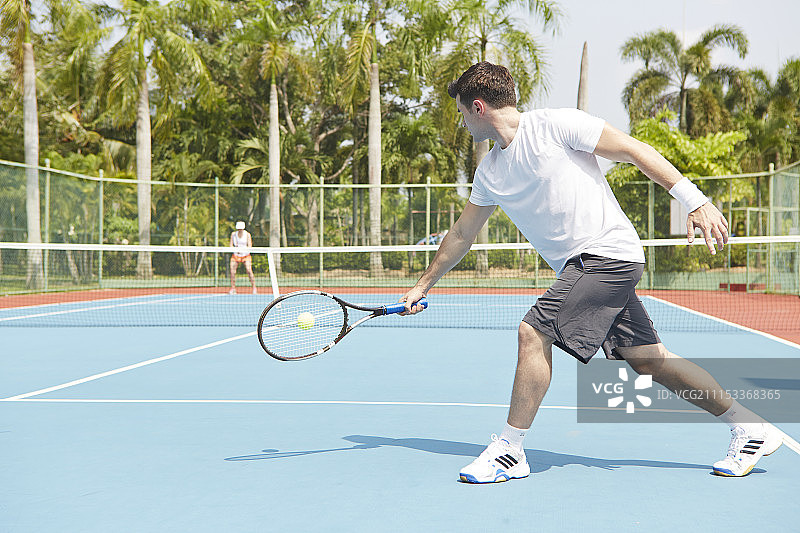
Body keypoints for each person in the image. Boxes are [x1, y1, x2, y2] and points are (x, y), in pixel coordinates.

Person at [400, 61, 783, 483]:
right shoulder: (490, 171)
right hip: (584, 267)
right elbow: (461, 234)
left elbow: (633, 149)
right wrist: (422, 285)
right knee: (649, 360)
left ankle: (509, 450)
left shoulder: (557, 125)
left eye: (461, 112)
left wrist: (695, 200)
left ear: (478, 107)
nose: (461, 122)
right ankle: (750, 426)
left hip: (606, 254)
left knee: (533, 332)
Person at [229, 221, 257, 295]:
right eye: (238, 228)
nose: (240, 230)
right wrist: (235, 250)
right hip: (235, 255)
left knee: (249, 270)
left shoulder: (247, 234)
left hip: (246, 255)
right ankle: (233, 288)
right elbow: (231, 245)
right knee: (232, 272)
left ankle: (254, 288)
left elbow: (250, 245)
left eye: (241, 228)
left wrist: (244, 251)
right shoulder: (233, 234)